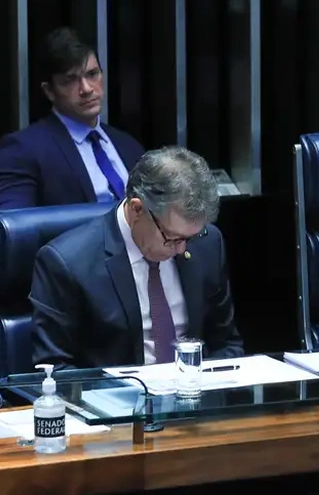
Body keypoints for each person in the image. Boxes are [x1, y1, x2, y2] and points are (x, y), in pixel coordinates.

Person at [30, 146, 243, 370]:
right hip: (115, 399)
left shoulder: (207, 244)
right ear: (137, 209)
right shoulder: (67, 263)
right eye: (171, 238)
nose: (181, 250)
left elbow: (226, 344)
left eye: (190, 237)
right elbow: (56, 369)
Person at [0, 27, 144, 210]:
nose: (87, 89)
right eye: (70, 80)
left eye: (92, 74)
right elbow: (13, 227)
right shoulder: (22, 150)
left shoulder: (128, 146)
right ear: (49, 91)